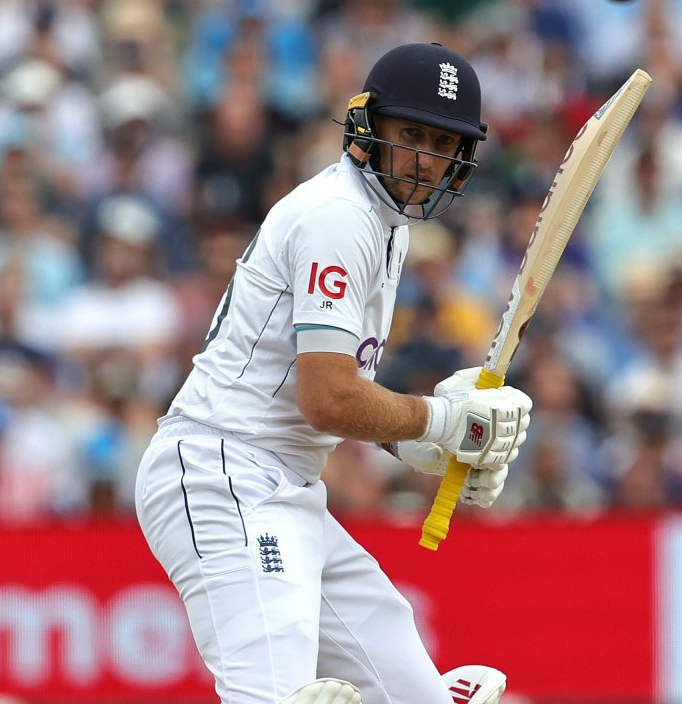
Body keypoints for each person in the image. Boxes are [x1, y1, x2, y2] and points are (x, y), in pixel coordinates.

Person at [134, 43, 531, 704]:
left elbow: (331, 392)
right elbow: (327, 400)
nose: (425, 159)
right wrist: (444, 422)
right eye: (412, 135)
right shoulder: (339, 217)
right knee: (273, 696)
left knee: (418, 697)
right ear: (367, 126)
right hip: (225, 472)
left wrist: (425, 444)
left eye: (442, 143)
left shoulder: (386, 224)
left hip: (287, 481)